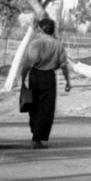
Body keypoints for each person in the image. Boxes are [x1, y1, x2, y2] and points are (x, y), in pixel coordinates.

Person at [19, 17, 72, 149]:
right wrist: (67, 81)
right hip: (49, 77)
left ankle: (35, 130)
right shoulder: (58, 45)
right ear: (52, 30)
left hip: (35, 76)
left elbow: (26, 64)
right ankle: (38, 137)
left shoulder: (34, 44)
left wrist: (22, 81)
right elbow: (63, 65)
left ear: (40, 29)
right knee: (46, 108)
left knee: (34, 105)